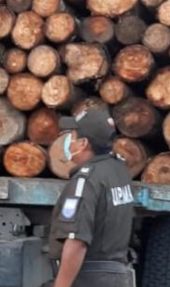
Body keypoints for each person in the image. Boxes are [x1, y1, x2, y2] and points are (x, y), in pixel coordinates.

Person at [48, 109, 135, 287]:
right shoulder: (119, 171)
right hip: (117, 275)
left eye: (72, 136)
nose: (69, 141)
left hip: (90, 278)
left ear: (83, 143)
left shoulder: (86, 181)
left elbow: (76, 242)